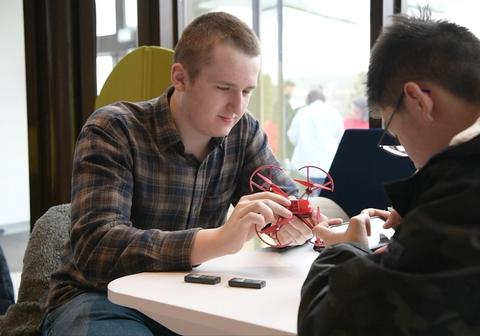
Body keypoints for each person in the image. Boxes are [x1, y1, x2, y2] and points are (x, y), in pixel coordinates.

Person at [298, 11, 480, 335]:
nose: (404, 149)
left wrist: (345, 250)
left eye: (393, 131)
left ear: (418, 100)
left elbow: (328, 324)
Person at [42, 12, 314, 335]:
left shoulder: (242, 132)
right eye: (224, 88)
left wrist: (300, 225)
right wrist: (216, 240)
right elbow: (96, 248)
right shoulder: (113, 130)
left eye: (246, 91)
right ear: (180, 78)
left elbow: (290, 201)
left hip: (192, 296)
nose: (237, 106)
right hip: (99, 298)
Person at [287, 87, 344, 179]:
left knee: (306, 192)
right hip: (328, 165)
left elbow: (292, 136)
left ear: (308, 99)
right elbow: (341, 138)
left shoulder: (302, 112)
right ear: (323, 98)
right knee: (325, 193)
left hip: (304, 166)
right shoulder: (333, 112)